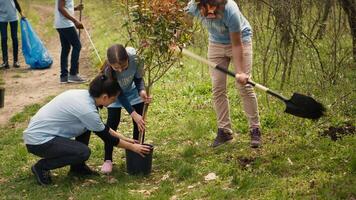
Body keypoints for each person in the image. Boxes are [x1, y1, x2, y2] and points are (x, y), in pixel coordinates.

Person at [23, 74, 152, 185]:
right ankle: (41, 167)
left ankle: (77, 168)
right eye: (113, 99)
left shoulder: (85, 97)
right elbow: (107, 138)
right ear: (105, 97)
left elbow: (102, 128)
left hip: (45, 135)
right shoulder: (87, 109)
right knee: (83, 152)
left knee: (86, 128)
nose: (114, 102)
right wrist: (133, 148)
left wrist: (126, 139)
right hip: (39, 141)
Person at [186, 0, 262, 148]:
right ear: (200, 6)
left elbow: (236, 44)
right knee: (217, 88)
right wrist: (177, 41)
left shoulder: (230, 10)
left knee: (244, 87)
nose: (211, 15)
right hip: (215, 43)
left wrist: (240, 72)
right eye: (207, 12)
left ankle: (255, 129)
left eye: (215, 12)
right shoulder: (193, 6)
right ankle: (225, 132)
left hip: (240, 41)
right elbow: (184, 24)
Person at [100, 44, 151, 174]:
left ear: (128, 58)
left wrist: (142, 90)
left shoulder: (136, 59)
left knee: (139, 123)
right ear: (110, 65)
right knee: (112, 124)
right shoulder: (108, 71)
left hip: (132, 92)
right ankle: (108, 159)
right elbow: (119, 94)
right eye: (117, 68)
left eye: (124, 66)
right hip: (115, 95)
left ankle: (137, 152)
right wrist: (132, 113)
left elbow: (138, 79)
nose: (121, 70)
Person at [55, 0, 85, 83]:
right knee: (77, 46)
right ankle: (73, 74)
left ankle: (64, 76)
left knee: (66, 48)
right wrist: (75, 21)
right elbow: (60, 8)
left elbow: (65, 7)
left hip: (61, 24)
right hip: (66, 24)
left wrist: (75, 8)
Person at [0, 0, 24, 69]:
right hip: (2, 18)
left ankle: (16, 61)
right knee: (4, 38)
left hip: (13, 17)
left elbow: (16, 2)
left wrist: (21, 13)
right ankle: (5, 62)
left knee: (14, 37)